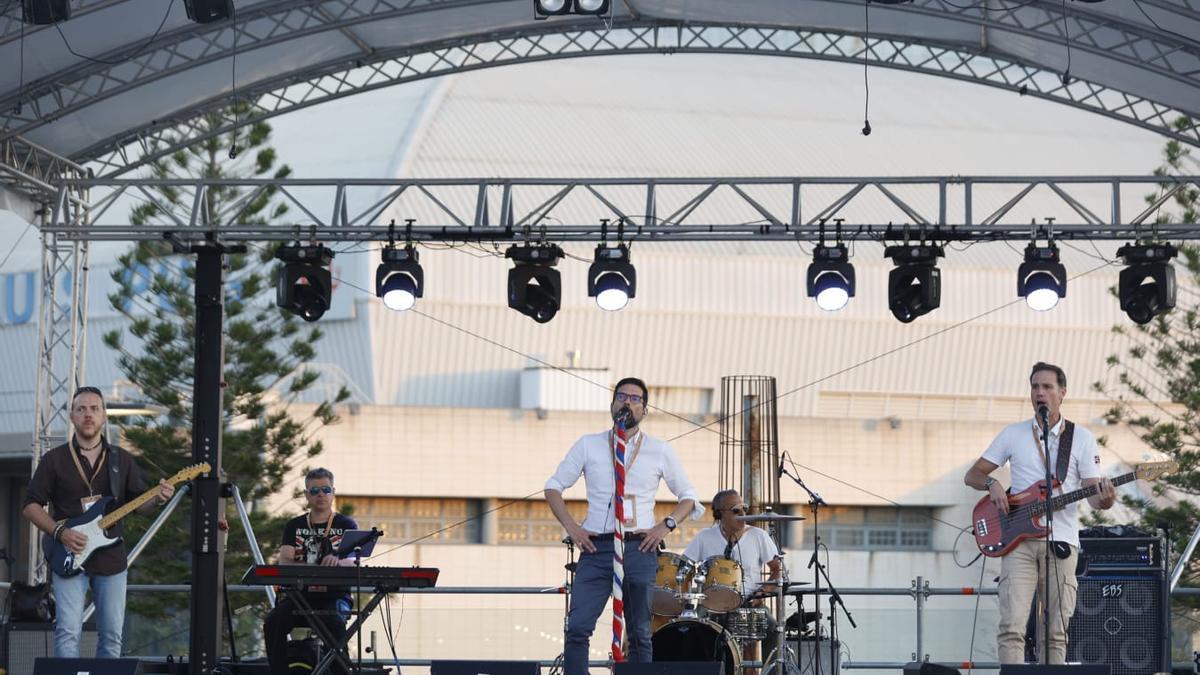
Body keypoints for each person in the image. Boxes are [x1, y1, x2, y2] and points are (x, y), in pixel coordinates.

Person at [545, 377, 703, 675]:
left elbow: (689, 498)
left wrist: (664, 526)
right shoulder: (588, 444)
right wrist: (573, 528)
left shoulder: (659, 450)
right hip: (596, 547)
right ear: (612, 403)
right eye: (621, 396)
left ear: (645, 409)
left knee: (640, 633)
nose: (627, 402)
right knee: (578, 627)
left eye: (635, 398)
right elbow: (553, 487)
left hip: (638, 547)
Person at [963, 362, 1116, 664]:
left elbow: (1094, 496)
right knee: (1011, 627)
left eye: (1047, 387)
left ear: (1062, 393)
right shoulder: (1013, 434)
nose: (1040, 392)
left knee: (1056, 631)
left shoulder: (1081, 438)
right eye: (1035, 387)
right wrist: (992, 483)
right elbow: (972, 475)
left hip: (1061, 542)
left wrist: (1107, 500)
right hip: (1017, 542)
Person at [22, 386, 175, 658]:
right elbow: (30, 506)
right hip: (69, 554)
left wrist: (159, 498)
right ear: (71, 416)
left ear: (104, 415)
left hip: (111, 558)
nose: (88, 415)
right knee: (68, 632)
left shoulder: (121, 459)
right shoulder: (54, 460)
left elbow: (140, 504)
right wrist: (60, 532)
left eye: (94, 409)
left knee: (112, 636)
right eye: (81, 409)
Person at [264, 467, 359, 675]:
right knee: (273, 622)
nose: (321, 495)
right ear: (307, 495)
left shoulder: (346, 524)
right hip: (300, 596)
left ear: (333, 491)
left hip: (335, 596)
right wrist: (314, 566)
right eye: (315, 491)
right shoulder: (294, 525)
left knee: (333, 624)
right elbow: (285, 562)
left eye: (325, 489)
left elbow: (354, 562)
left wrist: (337, 560)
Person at [683, 489, 782, 668]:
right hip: (712, 606)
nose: (743, 513)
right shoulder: (705, 537)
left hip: (750, 603)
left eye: (743, 508)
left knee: (773, 630)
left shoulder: (758, 535)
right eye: (736, 510)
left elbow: (777, 570)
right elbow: (684, 568)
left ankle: (772, 672)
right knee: (691, 629)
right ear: (720, 513)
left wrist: (762, 592)